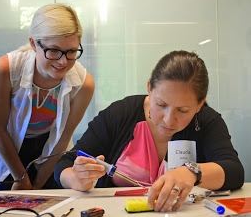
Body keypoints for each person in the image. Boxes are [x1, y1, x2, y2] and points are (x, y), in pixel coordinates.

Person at [54, 50, 244, 212]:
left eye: (183, 110)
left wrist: (192, 172)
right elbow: (65, 163)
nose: (169, 120)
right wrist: (76, 178)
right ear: (149, 90)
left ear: (199, 105)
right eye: (161, 104)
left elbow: (234, 171)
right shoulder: (120, 114)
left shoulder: (206, 121)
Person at [0, 3, 95, 190]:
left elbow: (63, 137)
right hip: (9, 145)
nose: (63, 61)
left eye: (72, 52)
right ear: (34, 44)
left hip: (51, 149)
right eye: (54, 50)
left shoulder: (84, 84)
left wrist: (38, 183)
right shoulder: (6, 69)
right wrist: (21, 179)